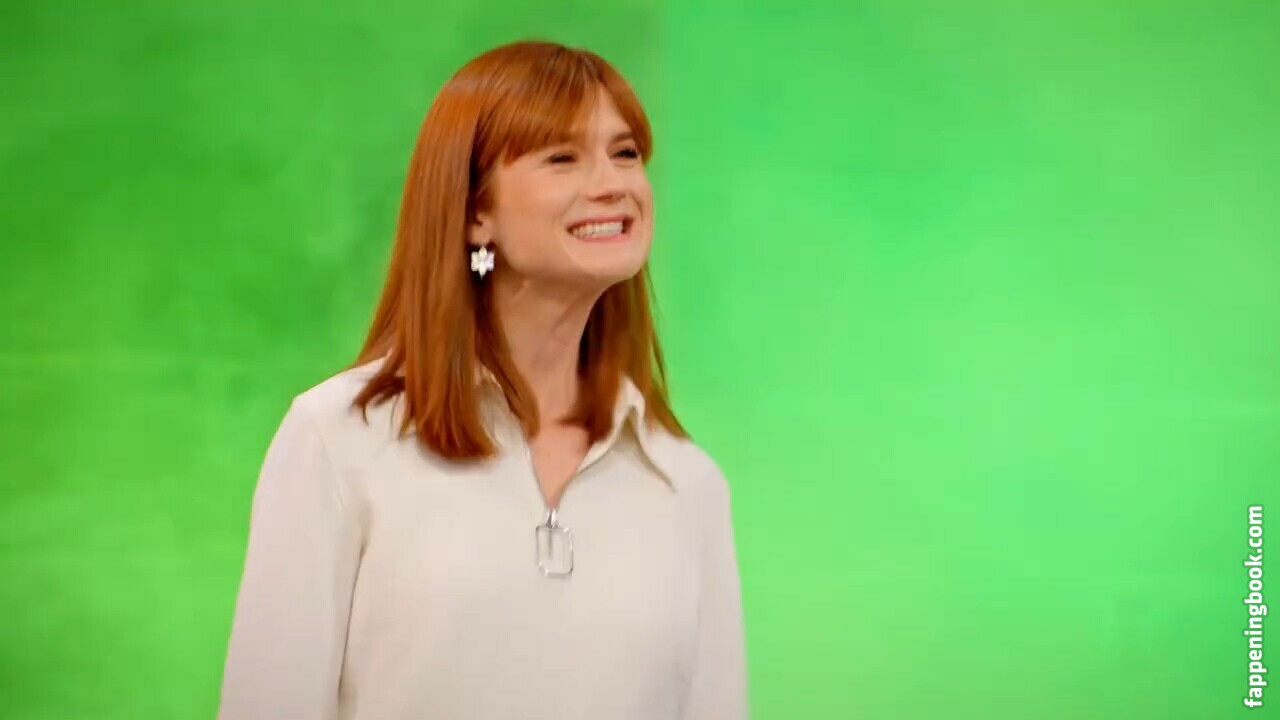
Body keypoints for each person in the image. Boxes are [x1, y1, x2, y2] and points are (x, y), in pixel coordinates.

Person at [217, 40, 747, 720]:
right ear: (475, 212)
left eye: (625, 153)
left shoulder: (686, 482)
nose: (613, 184)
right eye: (563, 158)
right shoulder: (340, 439)